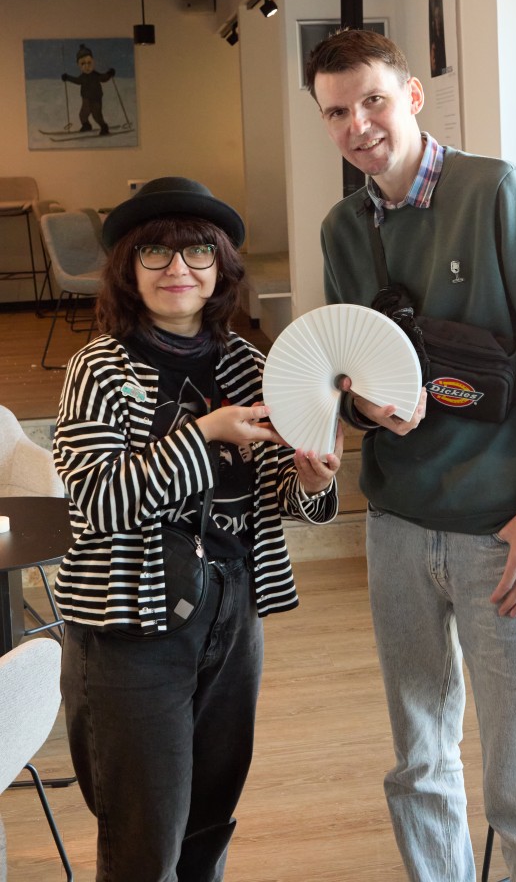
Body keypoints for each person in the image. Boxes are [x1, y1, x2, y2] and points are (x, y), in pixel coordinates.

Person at [305, 30, 516, 882]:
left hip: (504, 533)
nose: (358, 125)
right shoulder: (341, 230)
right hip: (397, 526)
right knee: (418, 765)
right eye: (336, 112)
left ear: (411, 96)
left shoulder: (497, 193)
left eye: (372, 100)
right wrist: (359, 409)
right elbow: (344, 371)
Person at [53, 177, 342, 882]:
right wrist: (206, 432)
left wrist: (312, 483)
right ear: (128, 268)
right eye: (155, 252)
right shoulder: (100, 368)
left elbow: (268, 493)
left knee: (211, 819)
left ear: (220, 267)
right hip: (131, 624)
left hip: (233, 611)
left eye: (196, 253)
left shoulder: (250, 364)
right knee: (145, 839)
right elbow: (97, 501)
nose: (177, 269)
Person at [61, 43, 115, 135]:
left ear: (93, 62)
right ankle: (86, 125)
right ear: (79, 65)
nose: (86, 66)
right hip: (86, 98)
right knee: (83, 114)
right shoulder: (83, 77)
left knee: (96, 115)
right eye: (83, 64)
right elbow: (77, 81)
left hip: (95, 98)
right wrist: (67, 77)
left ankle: (104, 127)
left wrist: (109, 74)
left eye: (89, 63)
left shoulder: (95, 75)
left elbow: (103, 78)